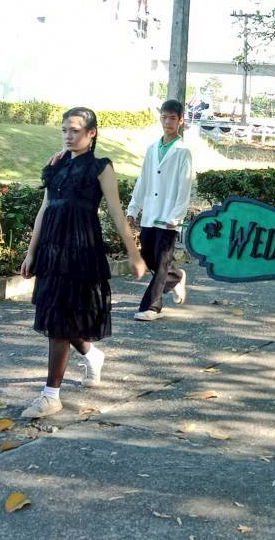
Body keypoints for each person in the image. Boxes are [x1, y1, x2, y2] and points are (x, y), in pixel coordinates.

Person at [19, 107, 148, 419]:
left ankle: (51, 395)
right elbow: (45, 209)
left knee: (62, 320)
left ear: (92, 133)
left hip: (81, 250)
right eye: (65, 129)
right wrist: (31, 251)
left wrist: (134, 254)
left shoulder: (101, 167)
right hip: (52, 249)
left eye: (75, 130)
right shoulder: (56, 165)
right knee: (59, 315)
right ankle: (92, 356)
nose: (68, 135)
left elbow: (116, 212)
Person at [126, 99, 196, 322]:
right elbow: (143, 180)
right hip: (150, 213)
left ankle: (152, 306)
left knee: (163, 261)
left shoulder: (183, 151)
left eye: (172, 118)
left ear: (181, 120)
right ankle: (176, 276)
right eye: (164, 117)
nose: (168, 122)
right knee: (148, 256)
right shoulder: (152, 148)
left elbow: (184, 186)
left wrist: (176, 216)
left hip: (169, 216)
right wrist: (133, 209)